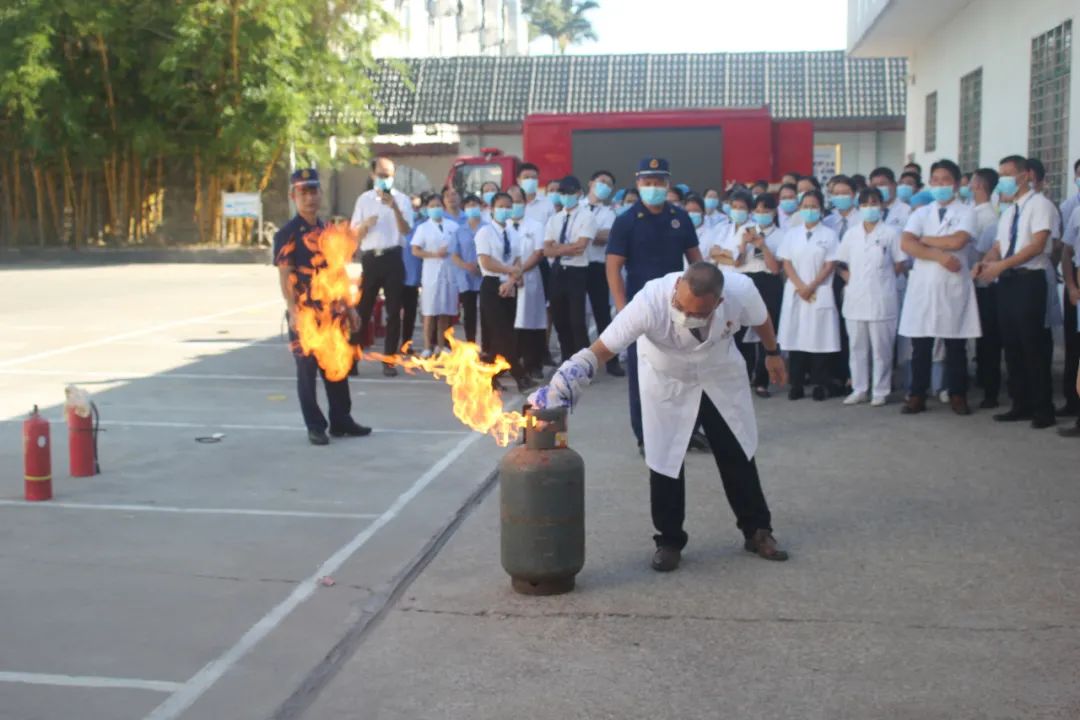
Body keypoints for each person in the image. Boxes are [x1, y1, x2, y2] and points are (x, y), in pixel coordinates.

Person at [528, 262, 790, 571]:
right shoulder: (650, 301)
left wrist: (773, 353)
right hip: (668, 380)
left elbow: (761, 320)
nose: (684, 315)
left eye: (696, 313)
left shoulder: (740, 290)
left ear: (718, 303)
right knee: (665, 458)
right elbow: (600, 350)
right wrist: (565, 382)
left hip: (718, 374)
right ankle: (668, 540)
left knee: (737, 452)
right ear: (678, 284)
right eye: (680, 306)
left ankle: (758, 531)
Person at [607, 157, 704, 454]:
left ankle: (686, 431)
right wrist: (623, 308)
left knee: (686, 370)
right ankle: (645, 435)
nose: (653, 188)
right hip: (641, 307)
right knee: (644, 373)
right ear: (638, 184)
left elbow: (696, 260)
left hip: (680, 306)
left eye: (659, 182)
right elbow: (613, 267)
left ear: (668, 183)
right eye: (647, 182)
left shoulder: (680, 217)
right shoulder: (626, 221)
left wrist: (704, 299)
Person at [274, 169, 370, 446]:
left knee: (337, 366)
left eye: (313, 191)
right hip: (306, 314)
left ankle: (341, 420)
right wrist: (293, 311)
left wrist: (349, 307)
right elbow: (285, 275)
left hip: (333, 312)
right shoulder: (288, 234)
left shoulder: (327, 231)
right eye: (303, 192)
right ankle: (315, 426)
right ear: (293, 196)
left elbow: (337, 271)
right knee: (307, 371)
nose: (309, 198)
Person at [973, 155, 1056, 428]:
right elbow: (999, 245)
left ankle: (1043, 408)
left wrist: (1000, 266)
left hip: (1029, 280)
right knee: (1012, 346)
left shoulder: (1040, 205)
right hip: (1006, 282)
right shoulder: (1008, 212)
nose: (1004, 180)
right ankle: (1020, 403)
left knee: (1033, 346)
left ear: (1025, 176)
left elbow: (1036, 245)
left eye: (1009, 174)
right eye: (1002, 174)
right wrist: (985, 262)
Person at [898, 159, 979, 416]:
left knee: (955, 344)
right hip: (924, 284)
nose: (940, 185)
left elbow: (958, 241)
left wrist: (923, 240)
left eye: (945, 180)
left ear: (955, 184)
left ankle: (958, 394)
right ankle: (917, 395)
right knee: (920, 345)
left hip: (952, 285)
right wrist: (939, 256)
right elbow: (906, 245)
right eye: (935, 180)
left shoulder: (967, 212)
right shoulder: (920, 212)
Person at [836, 187, 907, 406]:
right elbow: (841, 262)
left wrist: (881, 279)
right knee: (857, 347)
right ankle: (859, 388)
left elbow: (900, 263)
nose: (869, 208)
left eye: (874, 203)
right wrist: (849, 277)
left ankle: (880, 390)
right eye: (865, 204)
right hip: (855, 298)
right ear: (859, 207)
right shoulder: (851, 234)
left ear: (882, 205)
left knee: (881, 349)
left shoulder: (891, 233)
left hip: (881, 299)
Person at [350, 156, 414, 377]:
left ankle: (389, 360)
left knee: (394, 311)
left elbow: (406, 230)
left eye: (388, 175)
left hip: (393, 258)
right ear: (372, 175)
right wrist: (365, 225)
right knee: (363, 310)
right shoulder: (364, 200)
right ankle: (351, 359)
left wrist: (394, 208)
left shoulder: (402, 200)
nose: (384, 179)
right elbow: (354, 234)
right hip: (371, 259)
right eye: (381, 175)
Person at [778, 189, 842, 401]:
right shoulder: (791, 234)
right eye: (805, 206)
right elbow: (786, 262)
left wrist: (811, 286)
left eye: (813, 206)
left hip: (818, 290)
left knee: (819, 340)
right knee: (796, 339)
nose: (809, 210)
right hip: (797, 291)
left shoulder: (829, 235)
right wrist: (800, 286)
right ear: (800, 208)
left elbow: (830, 263)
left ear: (821, 209)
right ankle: (796, 384)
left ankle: (820, 385)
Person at [723, 193, 784, 398]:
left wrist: (762, 246)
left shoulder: (780, 235)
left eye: (765, 211)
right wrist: (744, 245)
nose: (761, 214)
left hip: (768, 282)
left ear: (774, 212)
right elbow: (737, 263)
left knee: (765, 328)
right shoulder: (745, 230)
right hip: (745, 279)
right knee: (738, 330)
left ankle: (762, 380)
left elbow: (775, 268)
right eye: (757, 211)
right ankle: (740, 375)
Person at [475, 192, 532, 392]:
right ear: (492, 208)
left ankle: (488, 376)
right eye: (501, 206)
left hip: (509, 285)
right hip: (491, 285)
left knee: (502, 334)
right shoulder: (485, 232)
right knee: (501, 333)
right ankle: (520, 374)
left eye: (508, 206)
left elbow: (517, 260)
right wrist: (511, 272)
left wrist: (511, 280)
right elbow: (486, 261)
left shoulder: (513, 232)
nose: (505, 210)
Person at [544, 176, 595, 361]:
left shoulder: (587, 216)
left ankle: (584, 362)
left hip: (577, 272)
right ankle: (567, 358)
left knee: (577, 321)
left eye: (570, 192)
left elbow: (581, 246)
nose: (566, 196)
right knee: (559, 319)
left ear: (579, 193)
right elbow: (546, 250)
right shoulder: (554, 219)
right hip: (557, 272)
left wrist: (558, 247)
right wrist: (566, 248)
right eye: (563, 193)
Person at [968, 168, 1003, 408]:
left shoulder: (988, 217)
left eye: (971, 182)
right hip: (975, 282)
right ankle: (983, 379)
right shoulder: (974, 212)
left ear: (980, 185)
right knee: (982, 340)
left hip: (986, 285)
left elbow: (982, 252)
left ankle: (990, 388)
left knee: (989, 340)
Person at [584, 170, 624, 376]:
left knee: (602, 316)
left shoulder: (609, 213)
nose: (604, 186)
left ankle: (611, 360)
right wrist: (591, 234)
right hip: (576, 266)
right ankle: (580, 362)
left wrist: (583, 234)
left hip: (598, 266)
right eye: (601, 181)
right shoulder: (576, 206)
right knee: (576, 316)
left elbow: (605, 237)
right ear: (591, 182)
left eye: (609, 184)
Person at [823, 175, 862, 389]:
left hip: (858, 278)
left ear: (854, 195)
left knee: (852, 329)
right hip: (833, 277)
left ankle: (853, 375)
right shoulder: (828, 221)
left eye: (845, 193)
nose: (841, 197)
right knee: (834, 326)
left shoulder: (862, 220)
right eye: (836, 194)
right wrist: (838, 270)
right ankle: (837, 373)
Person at [410, 193, 459, 357]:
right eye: (431, 206)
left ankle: (441, 344)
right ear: (426, 209)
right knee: (429, 311)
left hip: (449, 272)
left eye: (438, 205)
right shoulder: (423, 228)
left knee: (444, 311)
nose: (435, 209)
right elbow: (415, 250)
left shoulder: (453, 226)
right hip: (431, 272)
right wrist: (434, 254)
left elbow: (459, 247)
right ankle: (426, 346)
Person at [509, 185, 547, 380]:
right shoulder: (501, 225)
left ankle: (534, 364)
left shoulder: (535, 225)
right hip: (507, 280)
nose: (514, 205)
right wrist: (512, 274)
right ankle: (512, 362)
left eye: (518, 201)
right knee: (510, 324)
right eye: (510, 201)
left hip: (530, 278)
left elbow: (538, 252)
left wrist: (520, 270)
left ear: (525, 203)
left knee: (532, 323)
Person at [448, 194, 485, 343]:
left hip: (485, 276)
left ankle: (487, 346)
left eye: (474, 205)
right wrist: (466, 266)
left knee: (486, 312)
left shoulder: (488, 227)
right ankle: (471, 344)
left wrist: (480, 265)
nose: (472, 208)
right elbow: (454, 254)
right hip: (466, 277)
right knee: (469, 313)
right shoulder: (459, 230)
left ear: (481, 207)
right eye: (468, 205)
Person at [401, 194, 426, 353]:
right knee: (395, 313)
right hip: (397, 272)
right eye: (412, 207)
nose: (414, 210)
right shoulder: (399, 223)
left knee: (410, 311)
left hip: (414, 275)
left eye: (417, 207)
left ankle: (406, 343)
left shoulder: (423, 223)